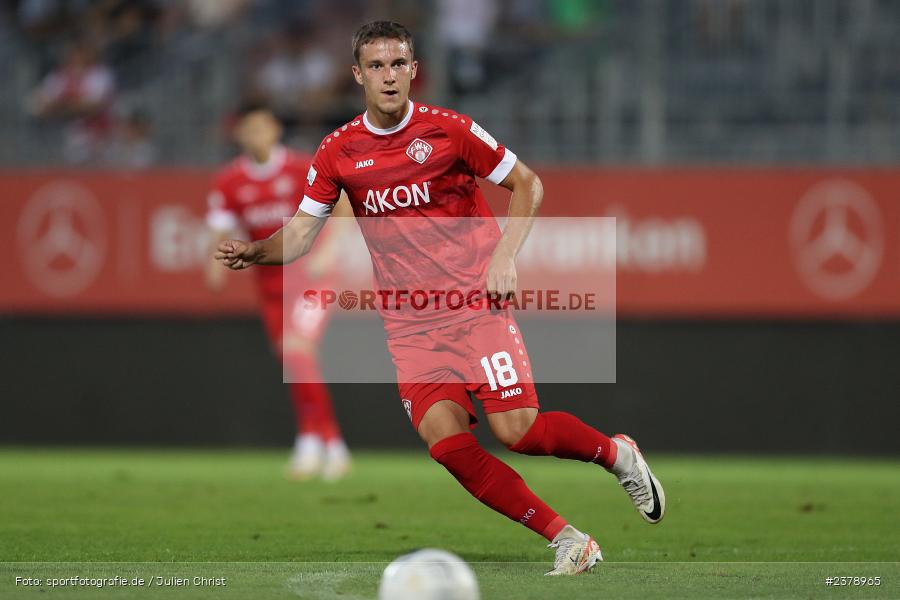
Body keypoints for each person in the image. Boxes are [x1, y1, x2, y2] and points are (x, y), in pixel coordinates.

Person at [215, 22, 665, 575]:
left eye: (398, 64)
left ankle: (617, 455)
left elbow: (528, 184)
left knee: (517, 431)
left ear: (413, 69)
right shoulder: (337, 151)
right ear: (357, 75)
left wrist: (504, 256)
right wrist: (256, 252)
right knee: (446, 444)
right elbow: (303, 233)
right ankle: (567, 538)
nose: (388, 76)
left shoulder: (450, 130)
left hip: (476, 306)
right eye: (376, 66)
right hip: (410, 326)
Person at [206, 103, 351, 481]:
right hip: (270, 285)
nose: (256, 135)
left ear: (274, 130)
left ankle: (320, 443)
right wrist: (215, 265)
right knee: (295, 361)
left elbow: (344, 204)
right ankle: (325, 445)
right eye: (248, 129)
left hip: (313, 276)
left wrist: (332, 249)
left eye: (262, 127)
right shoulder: (230, 181)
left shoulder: (302, 167)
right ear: (240, 135)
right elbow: (221, 231)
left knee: (296, 349)